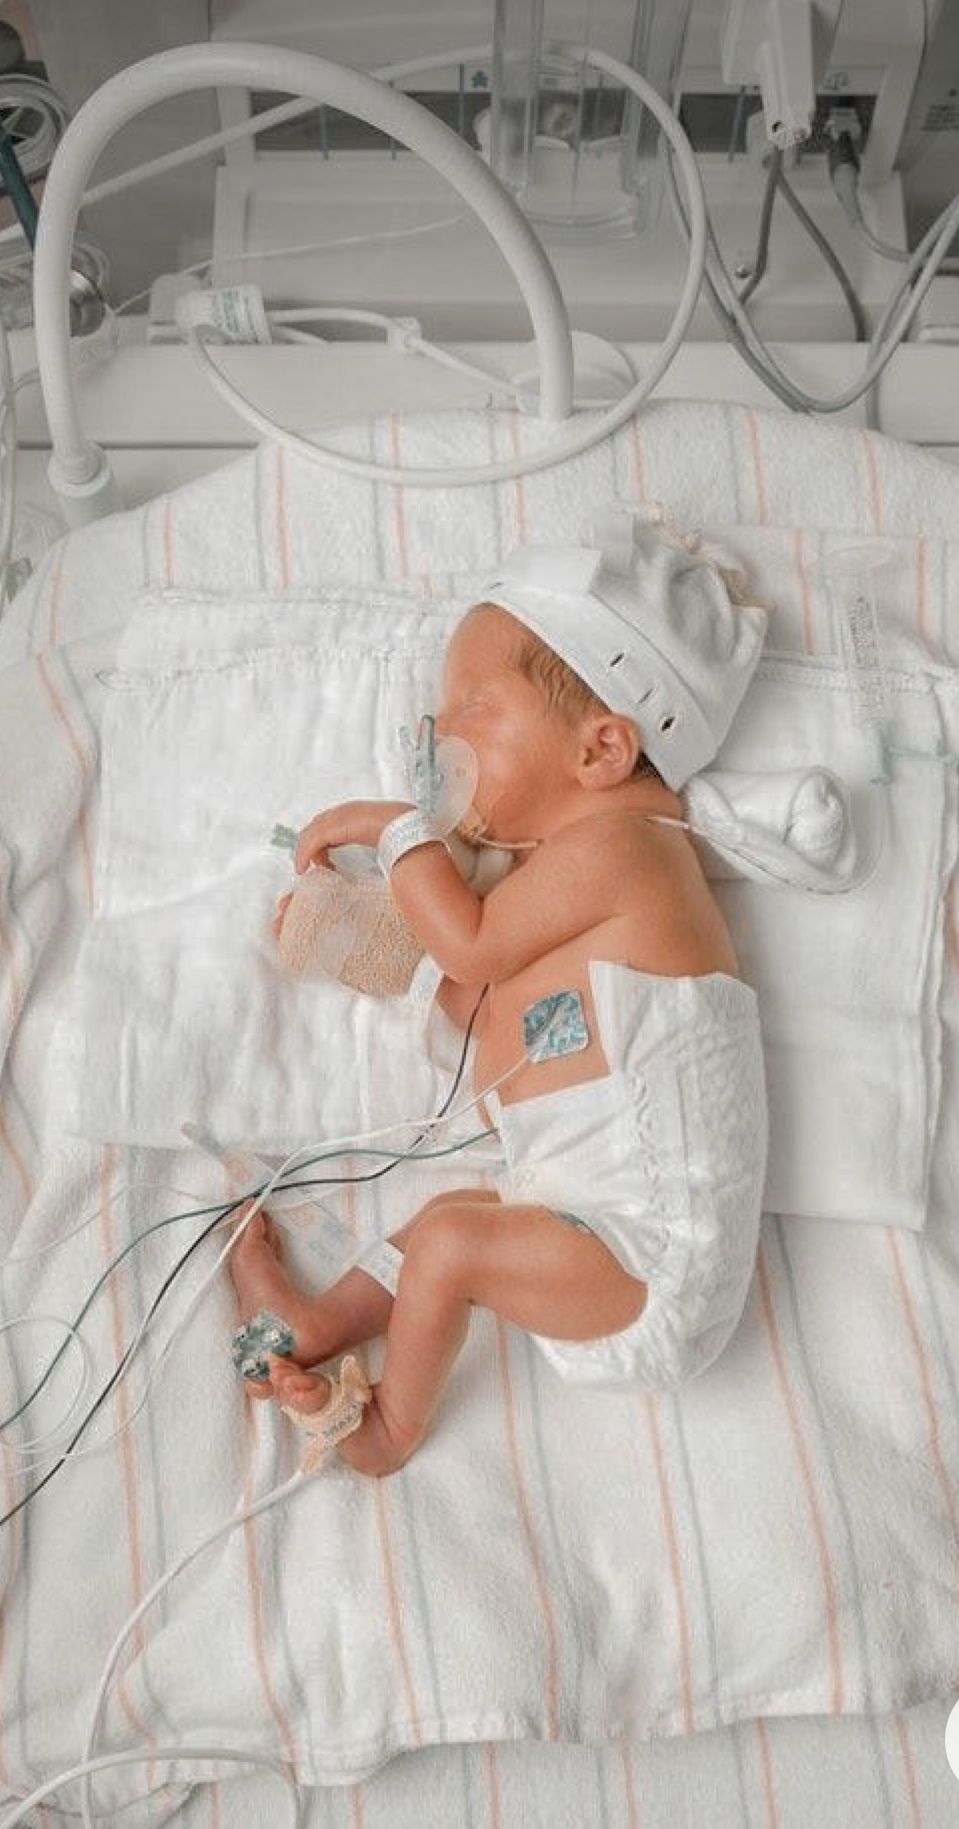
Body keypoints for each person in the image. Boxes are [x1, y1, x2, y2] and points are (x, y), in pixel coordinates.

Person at [229, 516, 771, 1478]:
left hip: (650, 1258)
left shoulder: (628, 850)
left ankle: (388, 1431)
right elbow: (484, 1013)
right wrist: (347, 938)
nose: (443, 737)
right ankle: (315, 1324)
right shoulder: (563, 883)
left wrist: (396, 830)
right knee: (446, 1224)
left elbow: (470, 948)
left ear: (601, 749)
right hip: (586, 1223)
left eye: (473, 707)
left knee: (452, 1241)